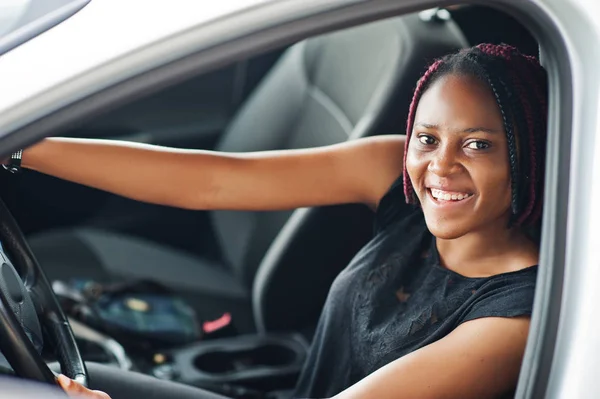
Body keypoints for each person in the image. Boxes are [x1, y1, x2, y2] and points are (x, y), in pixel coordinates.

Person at [16, 43, 547, 398]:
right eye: (427, 138)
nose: (441, 166)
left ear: (530, 155)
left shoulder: (512, 322)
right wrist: (21, 145)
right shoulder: (401, 178)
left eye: (479, 145)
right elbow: (211, 183)